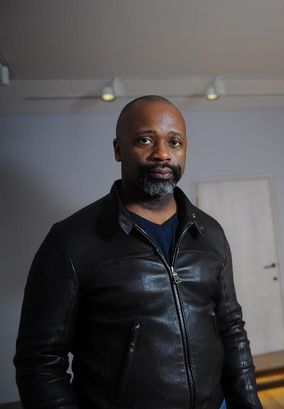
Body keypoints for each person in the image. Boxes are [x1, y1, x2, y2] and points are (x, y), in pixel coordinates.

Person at [14, 95, 263, 409]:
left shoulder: (210, 233)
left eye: (175, 142)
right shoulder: (70, 241)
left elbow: (231, 329)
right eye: (146, 140)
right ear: (118, 149)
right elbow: (40, 360)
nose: (162, 153)